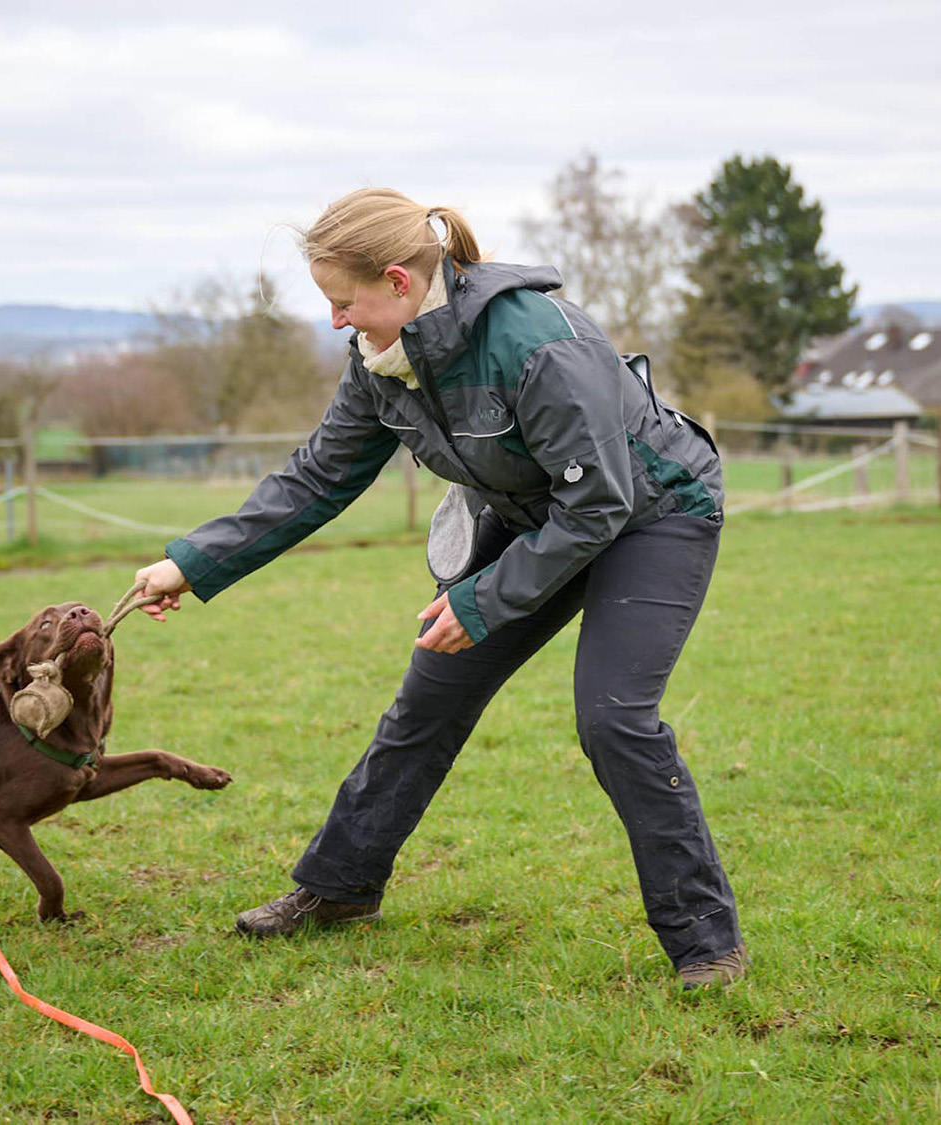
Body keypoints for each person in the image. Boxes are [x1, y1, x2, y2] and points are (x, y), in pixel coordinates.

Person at [133, 188, 747, 988]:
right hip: (536, 514)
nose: (335, 322)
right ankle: (340, 888)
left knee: (614, 718)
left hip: (652, 513)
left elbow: (599, 503)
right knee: (429, 696)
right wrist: (194, 561)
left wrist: (481, 599)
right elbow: (318, 477)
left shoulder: (537, 346)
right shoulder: (384, 361)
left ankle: (706, 941)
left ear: (397, 281)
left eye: (341, 302)